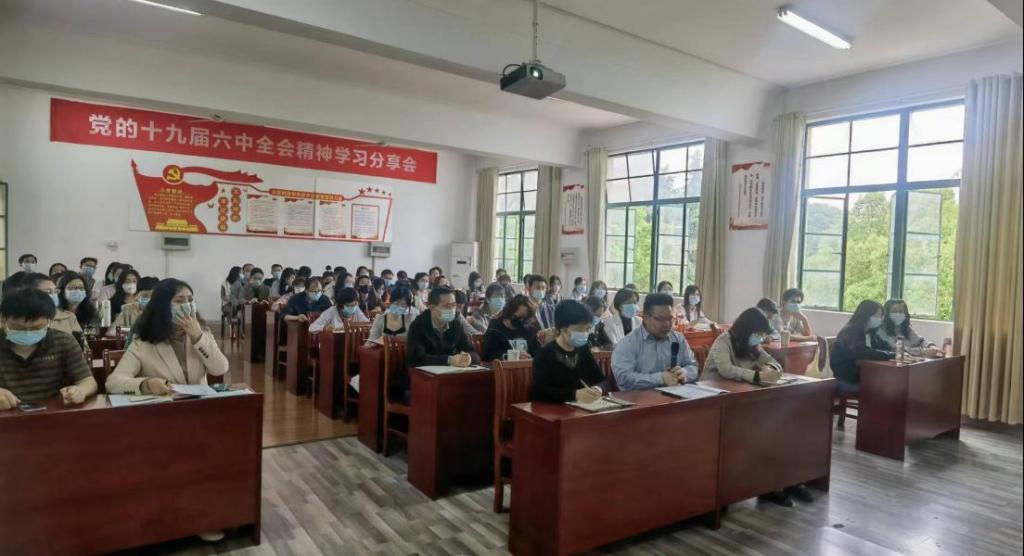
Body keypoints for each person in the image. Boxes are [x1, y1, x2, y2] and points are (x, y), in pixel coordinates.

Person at [0, 289, 97, 410]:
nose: (28, 333)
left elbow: (88, 381)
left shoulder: (63, 341)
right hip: (6, 415)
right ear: (3, 319)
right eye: (19, 328)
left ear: (49, 321)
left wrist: (80, 390)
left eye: (36, 328)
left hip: (52, 413)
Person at [611, 293, 698, 390]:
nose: (667, 324)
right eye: (660, 319)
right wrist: (660, 378)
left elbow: (693, 366)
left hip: (675, 395)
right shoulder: (628, 343)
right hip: (641, 398)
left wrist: (685, 373)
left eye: (670, 318)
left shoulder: (678, 339)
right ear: (646, 318)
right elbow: (623, 379)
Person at [530, 300, 608, 403]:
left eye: (587, 329)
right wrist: (574, 394)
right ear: (563, 328)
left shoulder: (583, 349)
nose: (585, 333)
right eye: (580, 329)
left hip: (582, 407)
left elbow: (602, 380)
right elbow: (541, 391)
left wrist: (599, 388)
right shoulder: (544, 353)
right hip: (553, 409)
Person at [829, 300, 894, 396]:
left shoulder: (872, 333)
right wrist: (890, 355)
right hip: (848, 379)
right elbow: (862, 353)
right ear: (866, 314)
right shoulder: (850, 332)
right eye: (877, 315)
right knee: (883, 391)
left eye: (881, 316)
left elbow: (885, 347)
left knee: (892, 387)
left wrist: (898, 352)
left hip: (865, 376)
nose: (880, 319)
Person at [406, 287, 479, 368]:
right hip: (425, 373)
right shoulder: (418, 325)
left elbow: (473, 353)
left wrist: (469, 357)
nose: (452, 309)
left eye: (454, 305)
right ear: (432, 308)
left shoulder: (456, 324)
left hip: (452, 371)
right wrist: (449, 360)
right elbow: (417, 359)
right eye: (447, 306)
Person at [706, 308, 783, 384]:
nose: (760, 338)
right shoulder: (723, 341)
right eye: (758, 334)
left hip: (736, 386)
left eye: (761, 334)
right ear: (746, 330)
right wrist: (757, 376)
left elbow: (770, 361)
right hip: (712, 385)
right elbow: (726, 369)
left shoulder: (752, 344)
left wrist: (772, 369)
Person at [480, 294, 541, 361]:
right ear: (510, 312)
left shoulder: (529, 328)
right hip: (504, 366)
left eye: (525, 318)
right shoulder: (495, 329)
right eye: (520, 317)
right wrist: (510, 356)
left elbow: (538, 352)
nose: (522, 320)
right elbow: (487, 355)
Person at [877, 299, 944, 357]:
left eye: (901, 311)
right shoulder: (881, 329)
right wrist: (922, 351)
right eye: (894, 311)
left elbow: (920, 341)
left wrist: (931, 346)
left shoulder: (905, 328)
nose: (898, 314)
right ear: (886, 313)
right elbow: (895, 349)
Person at [25, 273, 81, 337]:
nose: (54, 295)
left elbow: (81, 342)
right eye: (49, 292)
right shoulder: (20, 320)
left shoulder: (69, 317)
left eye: (55, 291)